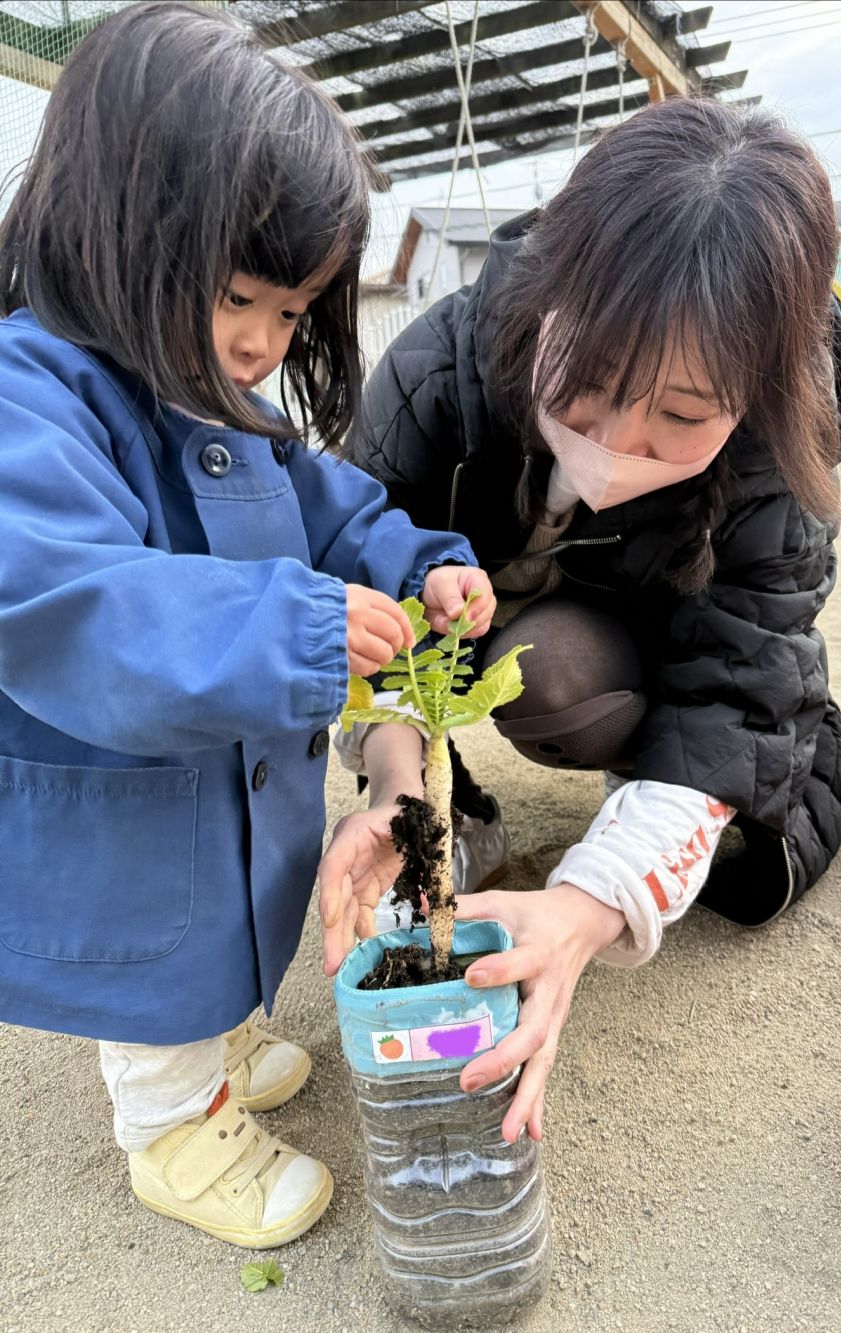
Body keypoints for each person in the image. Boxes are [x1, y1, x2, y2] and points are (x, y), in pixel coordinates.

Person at [0, 3, 494, 1249]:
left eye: (292, 312)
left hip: (230, 797)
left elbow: (331, 510)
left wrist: (424, 566)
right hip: (125, 817)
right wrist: (296, 631)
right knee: (156, 971)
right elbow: (70, 601)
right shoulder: (31, 395)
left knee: (220, 940)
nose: (263, 345)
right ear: (118, 226)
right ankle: (173, 1130)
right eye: (238, 298)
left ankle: (218, 1044)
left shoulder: (212, 395)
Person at [320, 98, 841, 1146]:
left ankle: (642, 797)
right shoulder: (443, 371)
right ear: (551, 301)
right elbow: (362, 598)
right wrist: (397, 785)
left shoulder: (777, 456)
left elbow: (741, 680)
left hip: (633, 650)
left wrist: (586, 907)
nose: (617, 438)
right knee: (420, 625)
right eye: (590, 380)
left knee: (559, 676)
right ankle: (459, 816)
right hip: (481, 612)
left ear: (753, 397)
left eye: (682, 414)